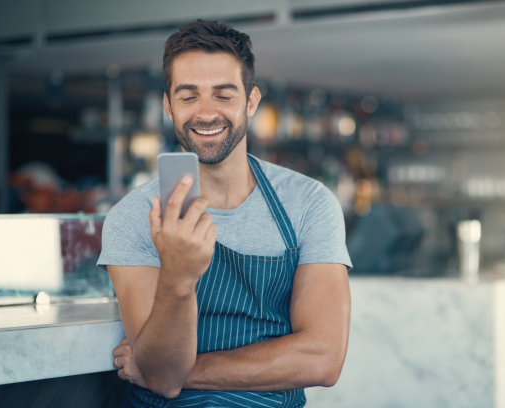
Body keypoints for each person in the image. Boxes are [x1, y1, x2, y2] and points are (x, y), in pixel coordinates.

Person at [97, 19, 351, 408]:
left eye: (223, 94)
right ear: (168, 106)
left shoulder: (309, 203)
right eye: (188, 96)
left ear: (250, 101)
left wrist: (178, 370)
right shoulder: (132, 218)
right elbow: (163, 379)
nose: (206, 113)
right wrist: (178, 279)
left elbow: (322, 359)